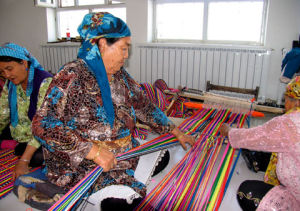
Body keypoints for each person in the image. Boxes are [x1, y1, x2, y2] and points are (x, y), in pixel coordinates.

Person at [13, 12, 195, 210]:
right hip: (88, 162)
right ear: (100, 45)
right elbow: (43, 123)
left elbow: (143, 105)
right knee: (118, 204)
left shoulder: (119, 75)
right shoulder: (72, 76)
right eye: (123, 49)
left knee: (163, 155)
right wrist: (93, 151)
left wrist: (176, 132)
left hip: (121, 153)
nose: (126, 55)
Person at [219, 76, 300, 211]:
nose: (284, 104)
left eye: (285, 99)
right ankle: (256, 161)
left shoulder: (289, 123)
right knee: (260, 150)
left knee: (246, 192)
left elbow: (255, 136)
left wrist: (229, 131)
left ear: (295, 102)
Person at [0, 43, 52, 179]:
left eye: (9, 69)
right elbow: (3, 113)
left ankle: (23, 149)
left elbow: (43, 125)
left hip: (42, 134)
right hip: (20, 132)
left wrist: (24, 161)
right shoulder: (10, 84)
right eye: (2, 72)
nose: (6, 75)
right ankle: (18, 146)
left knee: (37, 157)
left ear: (24, 63)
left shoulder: (44, 82)